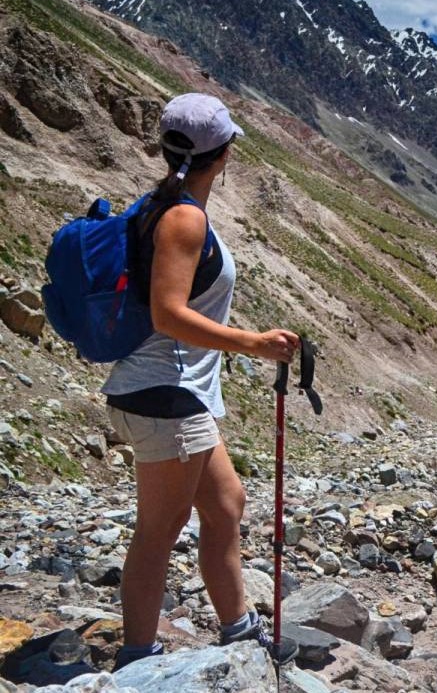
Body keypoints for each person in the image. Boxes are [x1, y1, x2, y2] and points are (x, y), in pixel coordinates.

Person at [102, 93, 299, 669]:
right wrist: (253, 343)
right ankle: (138, 657)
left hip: (171, 391)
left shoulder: (161, 204)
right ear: (225, 152)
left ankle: (237, 628)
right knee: (160, 530)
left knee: (227, 503)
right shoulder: (185, 218)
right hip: (165, 392)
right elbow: (168, 314)